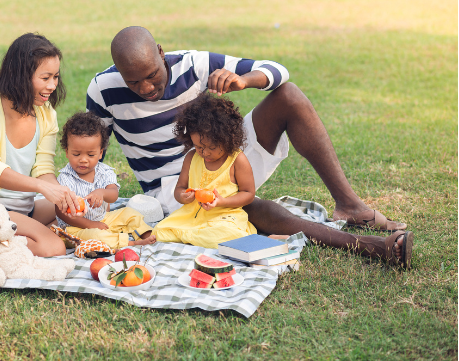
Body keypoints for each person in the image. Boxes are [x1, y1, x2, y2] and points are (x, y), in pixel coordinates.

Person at [86, 26, 413, 268]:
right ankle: (369, 246)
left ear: (161, 52)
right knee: (253, 208)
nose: (145, 88)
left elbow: (279, 71)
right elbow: (93, 151)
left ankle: (351, 207)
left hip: (219, 157)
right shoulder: (103, 89)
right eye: (133, 81)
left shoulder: (193, 64)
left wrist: (244, 80)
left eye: (152, 75)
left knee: (289, 95)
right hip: (175, 190)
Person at [0, 33, 83, 257]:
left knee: (73, 215)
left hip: (24, 209)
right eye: (45, 78)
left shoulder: (46, 114)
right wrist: (41, 187)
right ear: (21, 76)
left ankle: (2, 241)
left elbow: (43, 169)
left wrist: (60, 193)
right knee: (54, 247)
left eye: (56, 77)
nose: (53, 85)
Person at [153, 93, 256, 249]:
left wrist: (222, 201)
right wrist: (183, 196)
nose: (205, 153)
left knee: (227, 234)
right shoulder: (191, 158)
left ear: (227, 139)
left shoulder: (236, 160)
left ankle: (191, 237)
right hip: (190, 217)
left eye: (212, 148)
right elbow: (179, 188)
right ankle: (195, 237)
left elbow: (249, 194)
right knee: (159, 231)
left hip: (223, 217)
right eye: (199, 147)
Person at [54, 111, 156, 249]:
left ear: (100, 153)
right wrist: (91, 225)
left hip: (103, 219)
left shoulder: (104, 171)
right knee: (97, 237)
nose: (83, 159)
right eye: (76, 154)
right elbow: (61, 212)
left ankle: (145, 234)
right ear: (66, 151)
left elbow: (113, 195)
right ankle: (130, 243)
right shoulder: (65, 178)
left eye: (91, 154)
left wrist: (102, 192)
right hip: (76, 229)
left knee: (129, 213)